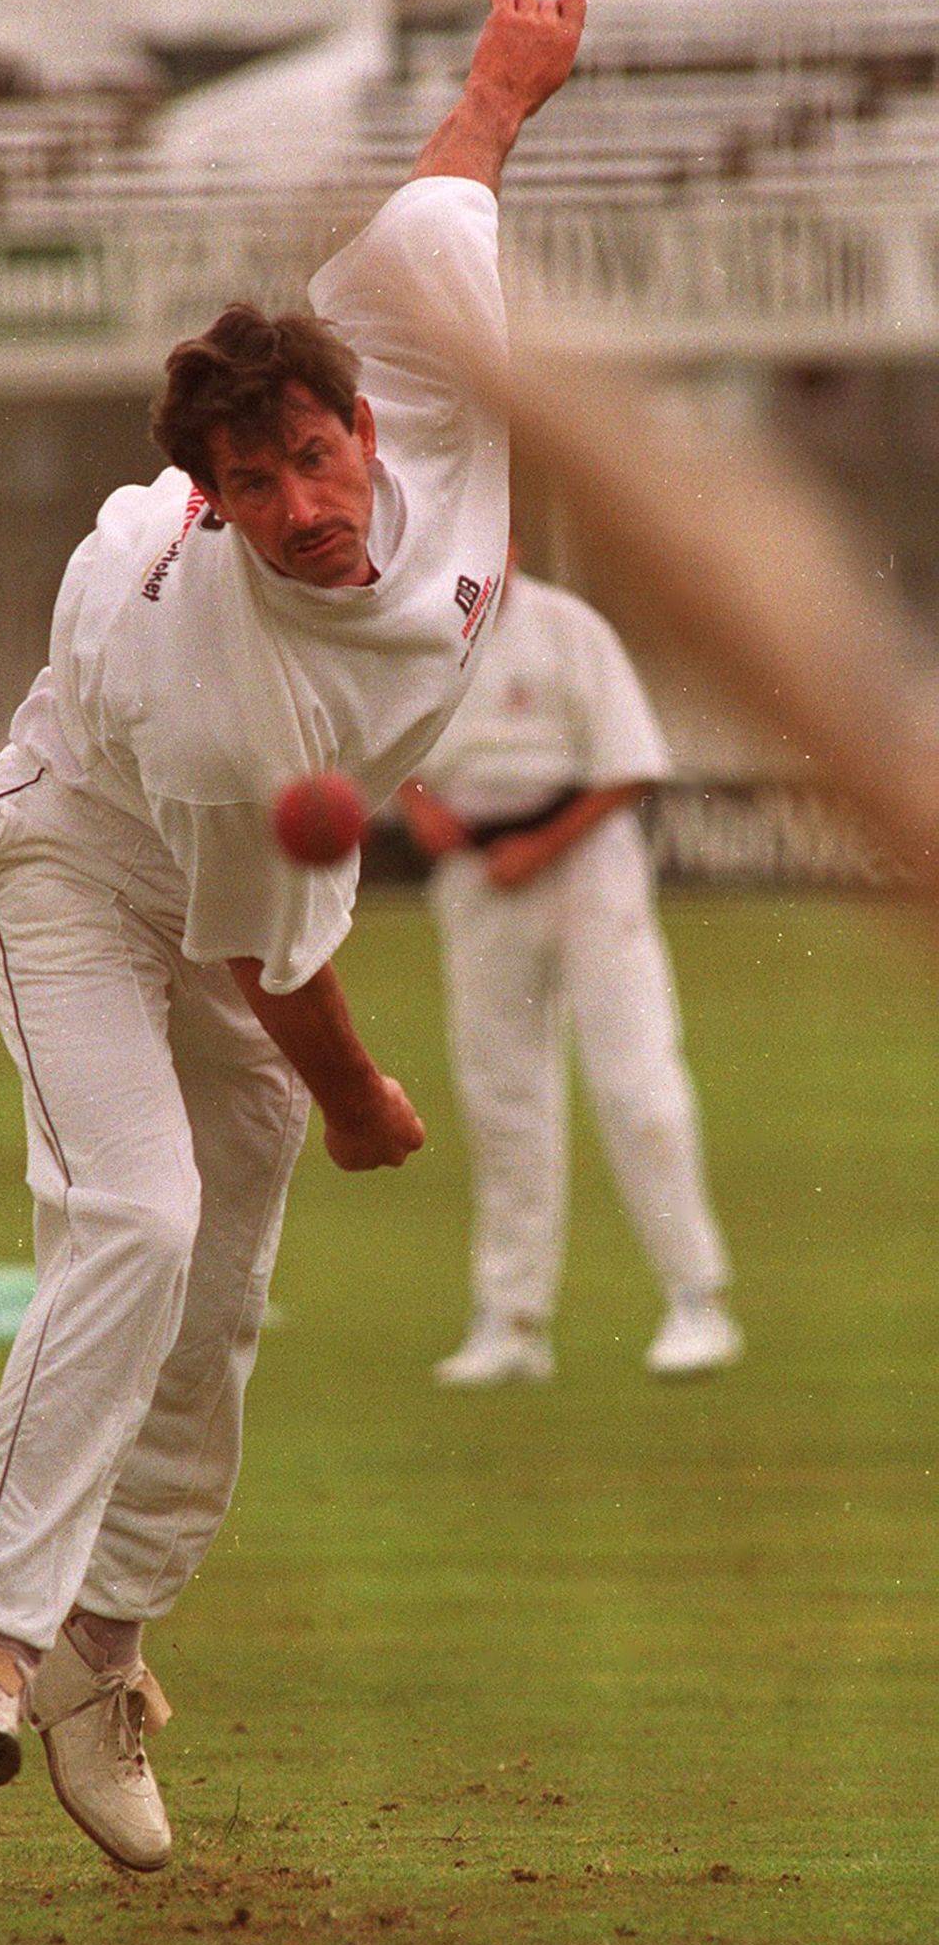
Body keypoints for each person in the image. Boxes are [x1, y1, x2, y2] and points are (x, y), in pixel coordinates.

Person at [0, 0, 587, 1869]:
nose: (302, 511)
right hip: (82, 858)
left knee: (219, 1301)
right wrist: (361, 1097)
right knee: (136, 1209)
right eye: (255, 489)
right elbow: (261, 960)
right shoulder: (230, 691)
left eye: (315, 461)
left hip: (234, 889)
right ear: (208, 502)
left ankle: (106, 1652)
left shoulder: (421, 356)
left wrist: (502, 76)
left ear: (369, 418)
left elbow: (453, 184)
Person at [398, 568, 741, 1387]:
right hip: (479, 877)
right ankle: (513, 1322)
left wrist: (541, 847)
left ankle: (697, 1301)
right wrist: (420, 807)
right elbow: (386, 748)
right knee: (500, 1094)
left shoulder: (568, 626)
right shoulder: (415, 634)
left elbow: (632, 765)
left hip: (587, 867)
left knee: (636, 1084)